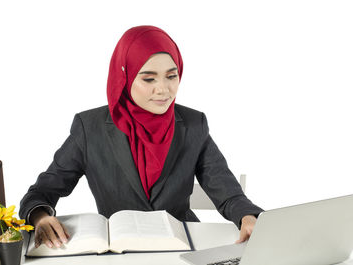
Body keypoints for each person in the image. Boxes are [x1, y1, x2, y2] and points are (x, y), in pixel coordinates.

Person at [19, 25, 263, 249]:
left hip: (182, 248)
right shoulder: (89, 128)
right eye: (148, 78)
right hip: (120, 250)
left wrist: (246, 217)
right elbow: (40, 192)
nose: (163, 89)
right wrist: (40, 217)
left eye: (171, 76)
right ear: (124, 76)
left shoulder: (193, 124)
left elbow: (227, 190)